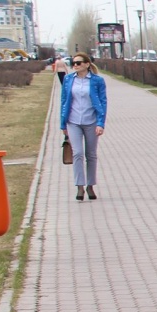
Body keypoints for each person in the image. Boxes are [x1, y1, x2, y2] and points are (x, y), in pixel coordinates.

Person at [59, 53, 108, 202]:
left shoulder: (97, 81)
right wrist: (63, 123)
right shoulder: (68, 79)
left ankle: (90, 185)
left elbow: (103, 102)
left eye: (78, 63)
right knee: (78, 153)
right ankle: (79, 186)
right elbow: (64, 101)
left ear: (87, 64)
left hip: (91, 121)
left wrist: (100, 123)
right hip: (73, 121)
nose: (75, 65)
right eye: (73, 63)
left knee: (91, 155)